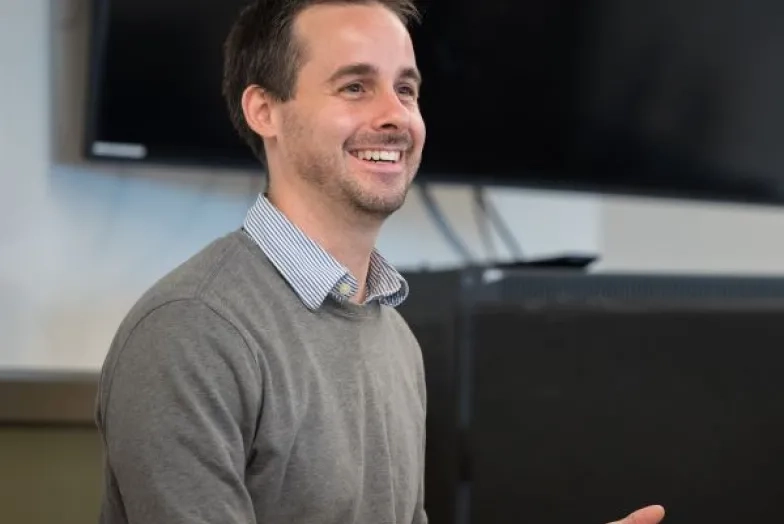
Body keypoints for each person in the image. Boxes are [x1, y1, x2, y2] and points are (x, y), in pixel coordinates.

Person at [94, 1, 666, 523]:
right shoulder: (191, 330)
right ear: (264, 110)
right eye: (354, 87)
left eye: (407, 90)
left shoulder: (395, 336)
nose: (396, 116)